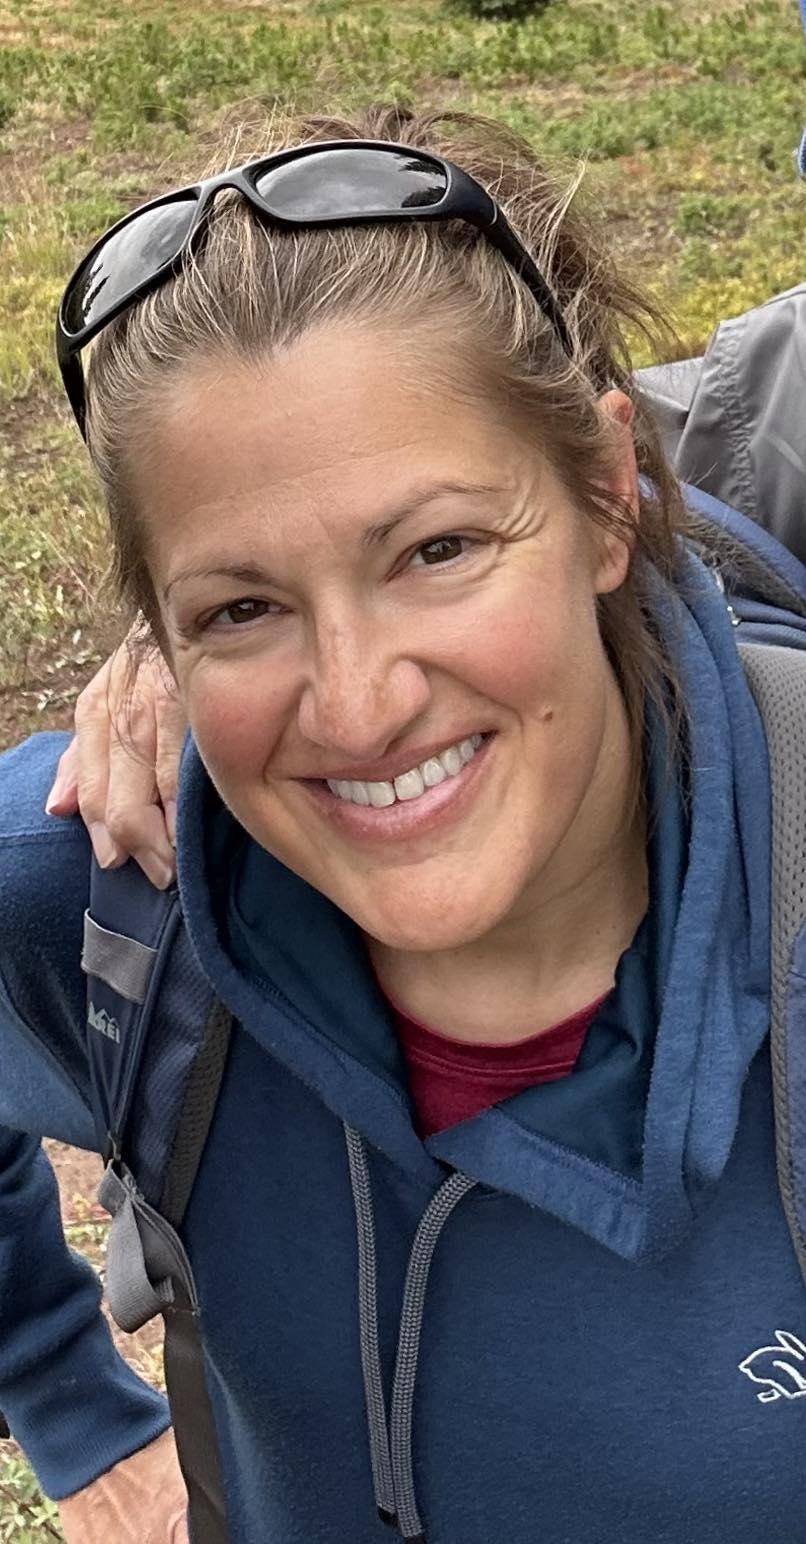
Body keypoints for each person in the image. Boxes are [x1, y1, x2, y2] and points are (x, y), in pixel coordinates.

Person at [2, 103, 805, 1544]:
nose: (360, 705)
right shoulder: (118, 887)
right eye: (241, 608)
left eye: (437, 549)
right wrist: (68, 1400)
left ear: (607, 495)